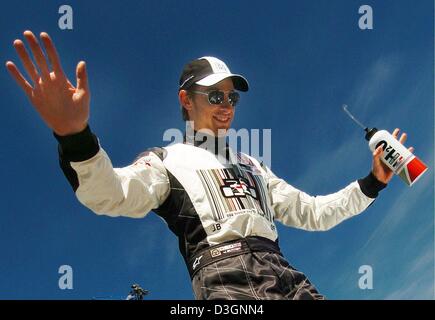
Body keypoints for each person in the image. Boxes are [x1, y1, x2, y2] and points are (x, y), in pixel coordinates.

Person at [6, 30, 414, 300]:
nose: (226, 107)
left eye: (232, 98)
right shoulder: (166, 161)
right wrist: (74, 135)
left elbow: (314, 212)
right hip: (226, 277)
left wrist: (374, 182)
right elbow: (110, 194)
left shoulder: (254, 165)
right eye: (214, 97)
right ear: (187, 100)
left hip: (286, 274)